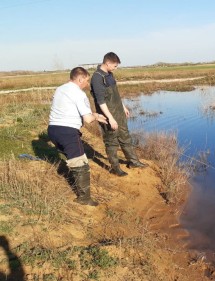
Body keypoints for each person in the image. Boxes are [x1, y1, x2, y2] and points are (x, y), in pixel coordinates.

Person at [48, 67, 108, 206]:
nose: (87, 84)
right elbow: (87, 119)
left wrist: (95, 114)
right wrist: (95, 117)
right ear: (80, 79)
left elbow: (68, 108)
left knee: (72, 158)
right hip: (68, 132)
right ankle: (84, 199)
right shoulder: (79, 94)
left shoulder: (60, 89)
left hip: (52, 130)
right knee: (81, 164)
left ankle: (73, 176)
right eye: (86, 81)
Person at [90, 52, 147, 177]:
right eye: (115, 66)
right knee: (111, 141)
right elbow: (101, 101)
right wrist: (110, 118)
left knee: (125, 136)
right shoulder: (97, 78)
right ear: (108, 63)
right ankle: (115, 168)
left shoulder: (109, 75)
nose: (116, 68)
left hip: (119, 112)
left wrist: (123, 107)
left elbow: (116, 94)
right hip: (108, 115)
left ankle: (133, 162)